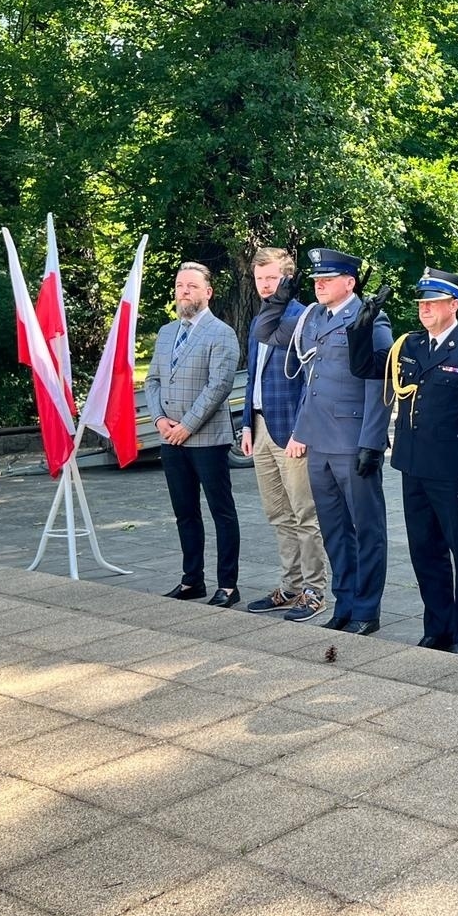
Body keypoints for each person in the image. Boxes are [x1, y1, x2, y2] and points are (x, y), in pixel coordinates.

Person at [349, 269, 458, 655]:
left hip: (453, 471)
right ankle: (438, 626)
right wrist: (362, 325)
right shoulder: (409, 345)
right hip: (413, 466)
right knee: (424, 551)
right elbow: (364, 367)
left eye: (433, 303)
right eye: (421, 303)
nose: (425, 309)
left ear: (454, 305)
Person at [264, 247, 392, 635]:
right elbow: (265, 333)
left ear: (349, 283)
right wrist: (279, 298)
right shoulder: (313, 316)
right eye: (316, 279)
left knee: (366, 529)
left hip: (352, 441)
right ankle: (345, 602)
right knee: (335, 530)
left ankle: (367, 609)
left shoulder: (370, 317)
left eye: (328, 279)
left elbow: (381, 379)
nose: (319, 284)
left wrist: (372, 440)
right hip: (319, 441)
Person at [144, 261, 243, 607]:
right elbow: (152, 380)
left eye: (191, 286)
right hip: (170, 438)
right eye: (179, 286)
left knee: (221, 512)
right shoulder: (167, 332)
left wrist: (187, 424)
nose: (184, 291)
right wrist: (159, 420)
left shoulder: (222, 333)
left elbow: (218, 386)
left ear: (208, 292)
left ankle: (228, 586)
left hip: (207, 440)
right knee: (185, 512)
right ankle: (192, 580)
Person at [240, 249, 331, 622]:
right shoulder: (259, 319)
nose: (265, 285)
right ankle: (290, 586)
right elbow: (253, 377)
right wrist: (246, 423)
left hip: (291, 431)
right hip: (260, 427)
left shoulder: (302, 318)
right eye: (260, 278)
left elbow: (312, 382)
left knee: (304, 514)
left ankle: (314, 590)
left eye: (272, 278)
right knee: (277, 514)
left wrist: (302, 430)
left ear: (288, 279)